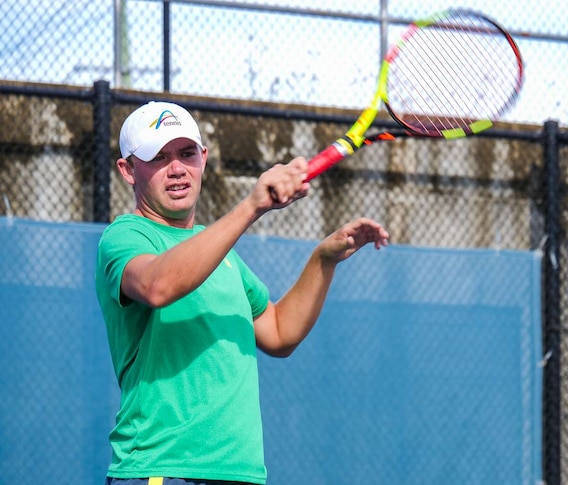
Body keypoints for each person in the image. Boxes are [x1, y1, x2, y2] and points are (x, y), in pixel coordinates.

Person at [94, 101, 389, 485]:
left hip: (240, 474)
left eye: (186, 154)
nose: (177, 169)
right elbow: (157, 285)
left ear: (203, 157)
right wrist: (253, 205)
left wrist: (324, 259)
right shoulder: (124, 237)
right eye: (158, 157)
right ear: (128, 170)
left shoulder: (221, 254)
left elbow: (280, 332)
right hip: (162, 471)